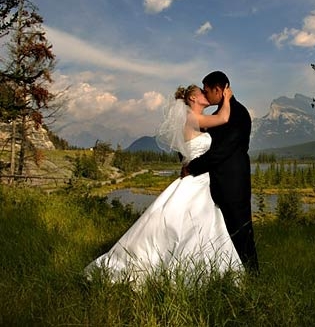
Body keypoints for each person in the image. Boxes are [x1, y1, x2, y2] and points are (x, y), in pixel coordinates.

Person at [84, 84, 243, 284]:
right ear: (193, 99)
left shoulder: (196, 122)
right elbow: (223, 118)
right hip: (196, 182)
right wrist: (227, 97)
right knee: (194, 223)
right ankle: (192, 271)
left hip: (201, 179)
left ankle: (204, 269)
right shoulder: (192, 118)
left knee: (196, 224)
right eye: (200, 92)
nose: (205, 94)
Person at [182, 71, 259, 274]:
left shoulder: (237, 114)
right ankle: (224, 271)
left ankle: (251, 274)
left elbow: (222, 151)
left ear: (219, 89)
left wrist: (192, 167)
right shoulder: (220, 114)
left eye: (207, 91)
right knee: (220, 232)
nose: (206, 95)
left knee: (240, 231)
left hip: (233, 184)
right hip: (217, 184)